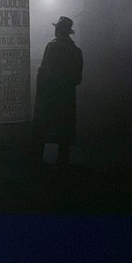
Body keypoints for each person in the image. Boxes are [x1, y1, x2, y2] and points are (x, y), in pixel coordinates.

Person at [33, 16, 83, 166]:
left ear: (58, 30)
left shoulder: (51, 47)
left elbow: (44, 71)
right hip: (67, 95)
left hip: (49, 94)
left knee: (43, 125)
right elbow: (77, 79)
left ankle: (37, 160)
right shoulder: (76, 51)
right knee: (65, 128)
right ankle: (62, 161)